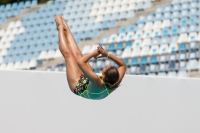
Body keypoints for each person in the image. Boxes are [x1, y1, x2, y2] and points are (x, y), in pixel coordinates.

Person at [54, 15, 126, 100]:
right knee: (77, 54)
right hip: (88, 83)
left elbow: (80, 62)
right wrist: (106, 54)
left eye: (106, 68)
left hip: (78, 87)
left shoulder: (98, 82)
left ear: (104, 77)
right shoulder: (115, 80)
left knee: (68, 55)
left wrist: (94, 53)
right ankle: (65, 28)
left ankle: (60, 27)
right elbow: (123, 65)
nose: (106, 66)